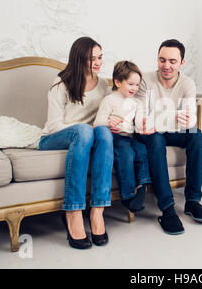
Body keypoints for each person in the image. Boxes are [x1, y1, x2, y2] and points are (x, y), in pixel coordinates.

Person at [38, 36, 112, 249]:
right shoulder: (60, 83)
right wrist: (84, 130)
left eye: (100, 57)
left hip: (85, 136)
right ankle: (72, 211)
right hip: (54, 138)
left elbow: (105, 115)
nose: (98, 63)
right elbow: (53, 126)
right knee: (85, 131)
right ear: (79, 60)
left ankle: (97, 211)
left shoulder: (104, 84)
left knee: (105, 133)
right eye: (92, 59)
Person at [135, 39, 202, 235]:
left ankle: (193, 201)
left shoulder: (187, 84)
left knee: (198, 137)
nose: (166, 66)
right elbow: (141, 118)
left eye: (172, 61)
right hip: (151, 134)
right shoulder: (145, 81)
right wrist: (172, 117)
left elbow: (189, 120)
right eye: (162, 60)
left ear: (181, 63)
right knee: (156, 137)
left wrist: (160, 117)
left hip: (169, 130)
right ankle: (167, 208)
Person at [93, 61, 151, 213]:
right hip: (116, 137)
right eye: (131, 84)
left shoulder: (137, 103)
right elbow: (97, 123)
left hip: (131, 136)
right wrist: (109, 122)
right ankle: (127, 196)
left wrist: (144, 125)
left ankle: (143, 185)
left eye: (137, 85)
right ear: (118, 82)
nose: (135, 88)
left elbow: (138, 124)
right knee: (126, 155)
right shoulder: (109, 100)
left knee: (142, 150)